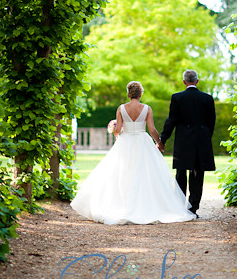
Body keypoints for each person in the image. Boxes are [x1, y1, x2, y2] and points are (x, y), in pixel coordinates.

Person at [70, 81, 196, 225]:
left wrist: (114, 130)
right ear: (140, 93)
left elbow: (118, 130)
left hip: (125, 142)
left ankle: (122, 204)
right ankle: (147, 205)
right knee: (147, 173)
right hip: (143, 141)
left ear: (128, 94)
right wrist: (160, 143)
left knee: (123, 173)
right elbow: (152, 129)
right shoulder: (147, 109)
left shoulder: (121, 108)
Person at [157, 69, 216, 218]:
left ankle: (179, 206)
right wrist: (206, 137)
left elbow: (171, 121)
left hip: (183, 141)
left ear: (184, 82)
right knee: (198, 174)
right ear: (197, 81)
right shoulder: (207, 98)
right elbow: (211, 122)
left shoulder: (177, 98)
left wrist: (162, 140)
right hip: (201, 140)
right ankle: (192, 208)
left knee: (181, 173)